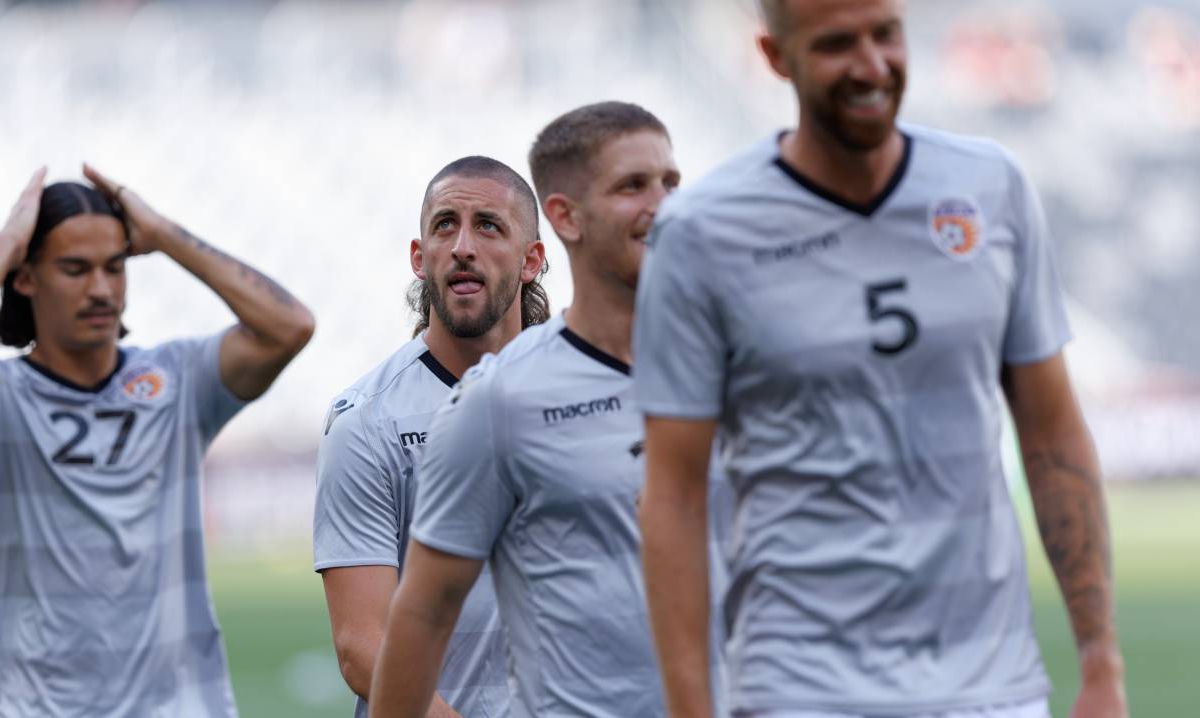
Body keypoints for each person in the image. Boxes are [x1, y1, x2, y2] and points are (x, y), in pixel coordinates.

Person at [633, 1, 1127, 717]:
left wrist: (1100, 663)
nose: (870, 66)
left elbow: (1052, 434)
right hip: (801, 687)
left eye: (885, 35)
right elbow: (673, 495)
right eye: (836, 44)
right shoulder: (701, 232)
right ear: (775, 58)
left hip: (988, 686)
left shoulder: (991, 188)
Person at [369, 101, 723, 718]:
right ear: (566, 217)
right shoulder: (501, 400)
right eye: (632, 186)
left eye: (671, 183)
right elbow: (421, 619)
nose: (663, 205)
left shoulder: (740, 365)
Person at [0, 165, 315, 716]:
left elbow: (290, 325)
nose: (102, 289)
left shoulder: (179, 381)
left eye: (115, 267)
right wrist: (9, 241)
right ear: (27, 277)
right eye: (75, 269)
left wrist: (163, 235)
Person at [313, 155, 548, 718]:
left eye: (489, 225)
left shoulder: (582, 392)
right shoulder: (367, 421)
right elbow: (360, 645)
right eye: (445, 225)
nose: (463, 246)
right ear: (420, 258)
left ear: (531, 260)